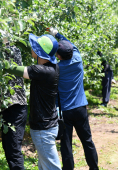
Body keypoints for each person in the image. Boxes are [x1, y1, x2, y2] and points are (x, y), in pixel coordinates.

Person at [4, 33, 61, 170]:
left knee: (52, 167)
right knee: (45, 165)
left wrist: (5, 44)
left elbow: (10, 68)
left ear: (39, 52)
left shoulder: (41, 71)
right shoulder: (53, 68)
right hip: (48, 125)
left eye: (34, 46)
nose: (31, 47)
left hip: (43, 129)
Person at [48, 27, 99, 170]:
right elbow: (68, 43)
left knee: (66, 143)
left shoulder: (56, 68)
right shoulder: (78, 59)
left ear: (59, 55)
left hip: (65, 111)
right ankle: (94, 168)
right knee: (87, 140)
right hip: (81, 108)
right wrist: (57, 33)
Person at [0, 30, 28, 170]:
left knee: (13, 150)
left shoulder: (14, 51)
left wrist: (2, 39)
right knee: (8, 148)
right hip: (6, 108)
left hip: (16, 107)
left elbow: (7, 55)